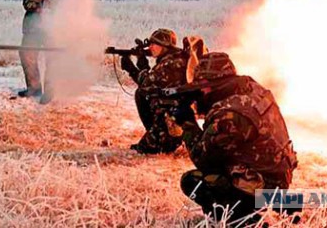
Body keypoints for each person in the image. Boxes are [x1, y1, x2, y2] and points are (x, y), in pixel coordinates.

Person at [165, 52, 299, 223]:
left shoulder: (228, 115)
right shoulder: (252, 88)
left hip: (264, 184)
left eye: (201, 88)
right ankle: (286, 203)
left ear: (210, 85)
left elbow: (202, 158)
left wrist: (187, 123)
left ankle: (245, 221)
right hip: (279, 173)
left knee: (193, 181)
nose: (200, 92)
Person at [120, 28, 189, 154]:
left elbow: (147, 83)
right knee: (143, 93)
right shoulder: (178, 58)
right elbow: (152, 83)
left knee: (145, 149)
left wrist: (134, 67)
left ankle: (163, 141)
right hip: (180, 117)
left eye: (154, 44)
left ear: (164, 46)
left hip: (173, 119)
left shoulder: (170, 64)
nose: (150, 47)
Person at [10, 0, 64, 104]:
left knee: (52, 56)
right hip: (32, 22)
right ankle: (33, 87)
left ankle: (50, 90)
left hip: (51, 22)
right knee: (27, 54)